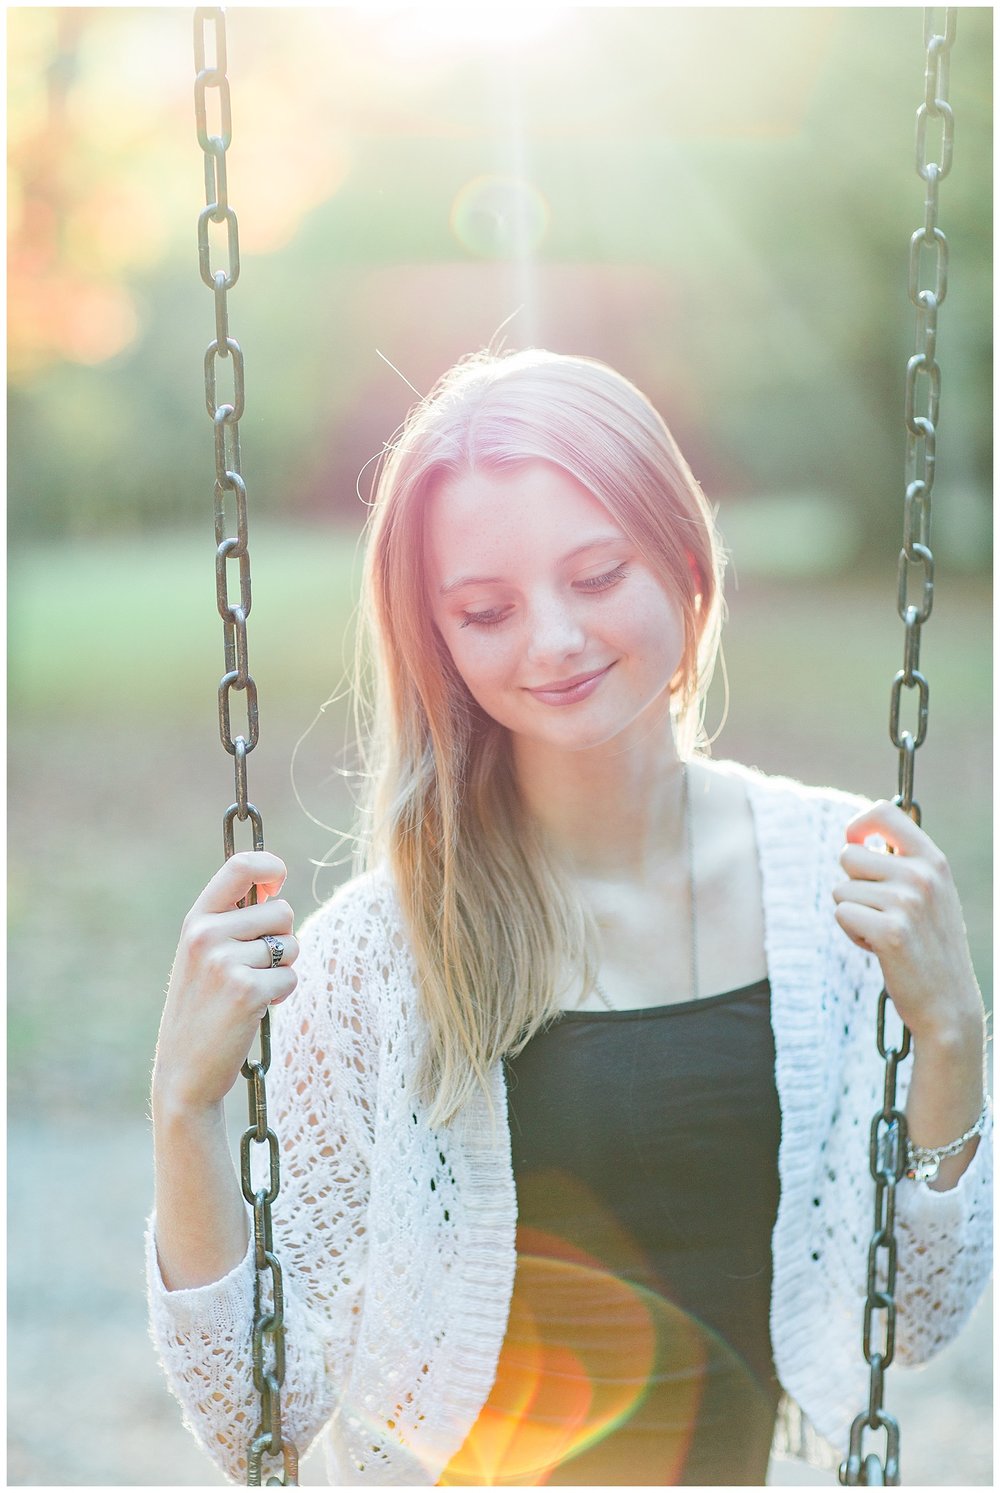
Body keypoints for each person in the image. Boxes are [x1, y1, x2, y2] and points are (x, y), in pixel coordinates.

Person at [148, 348, 992, 1486]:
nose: (551, 639)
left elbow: (912, 1319)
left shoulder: (838, 885)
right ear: (437, 639)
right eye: (487, 608)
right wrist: (184, 1107)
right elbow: (254, 1414)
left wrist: (951, 1036)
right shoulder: (378, 955)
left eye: (596, 575)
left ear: (687, 563)